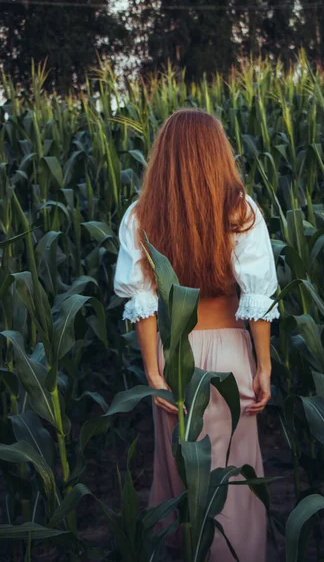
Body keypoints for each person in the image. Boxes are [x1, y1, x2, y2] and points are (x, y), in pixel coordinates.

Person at [113, 108, 280, 562]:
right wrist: (262, 367)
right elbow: (259, 294)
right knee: (235, 483)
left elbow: (142, 303)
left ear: (163, 157)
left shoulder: (141, 215)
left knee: (182, 481)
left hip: (177, 362)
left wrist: (154, 372)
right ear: (217, 154)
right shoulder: (240, 210)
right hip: (230, 357)